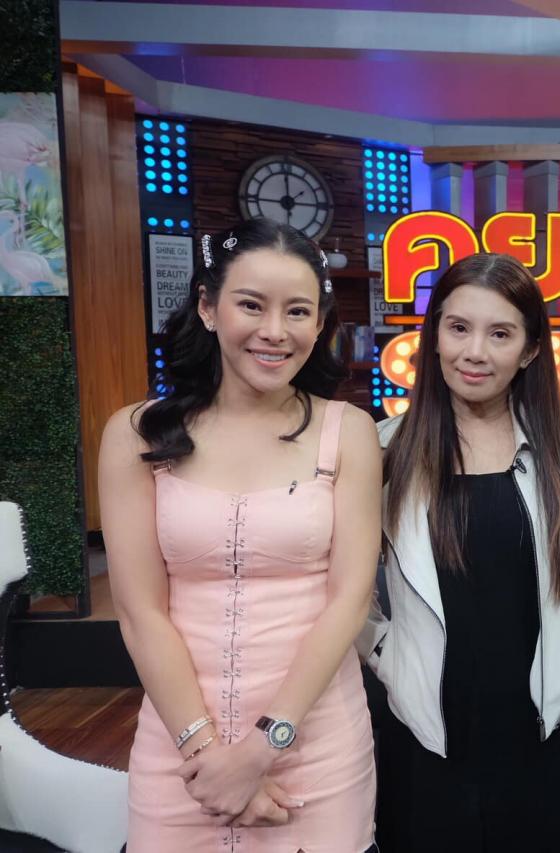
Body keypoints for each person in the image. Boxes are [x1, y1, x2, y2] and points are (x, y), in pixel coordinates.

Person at [99, 219, 381, 851]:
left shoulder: (349, 432)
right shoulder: (137, 434)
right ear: (207, 306)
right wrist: (209, 758)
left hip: (316, 744)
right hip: (180, 751)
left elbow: (350, 601)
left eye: (298, 311)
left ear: (320, 324)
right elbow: (140, 612)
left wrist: (260, 750)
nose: (275, 331)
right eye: (251, 305)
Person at [359, 252, 560, 852]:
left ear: (529, 350)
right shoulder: (385, 447)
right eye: (458, 327)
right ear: (433, 335)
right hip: (427, 723)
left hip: (546, 718)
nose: (475, 352)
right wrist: (388, 659)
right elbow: (349, 586)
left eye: (500, 334)